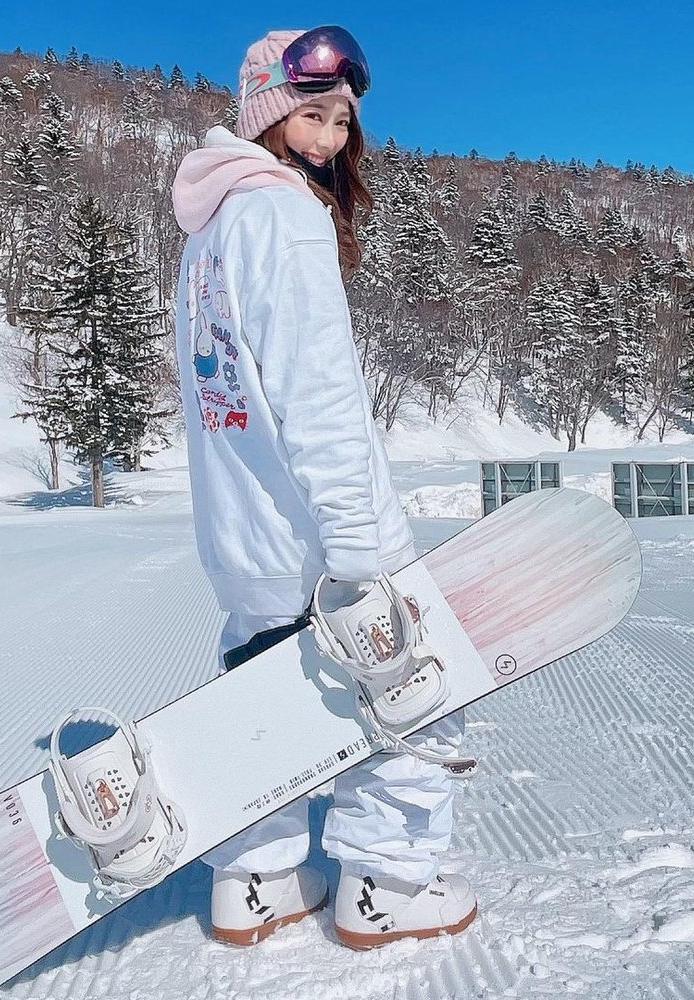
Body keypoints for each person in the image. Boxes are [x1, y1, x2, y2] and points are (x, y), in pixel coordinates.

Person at [170, 26, 477, 949]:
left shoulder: (207, 236)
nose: (330, 139)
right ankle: (387, 884)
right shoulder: (285, 217)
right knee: (406, 700)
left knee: (266, 712)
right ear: (266, 117)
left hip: (245, 543)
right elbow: (319, 399)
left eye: (342, 121)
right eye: (312, 116)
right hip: (319, 535)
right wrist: (361, 547)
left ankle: (257, 882)